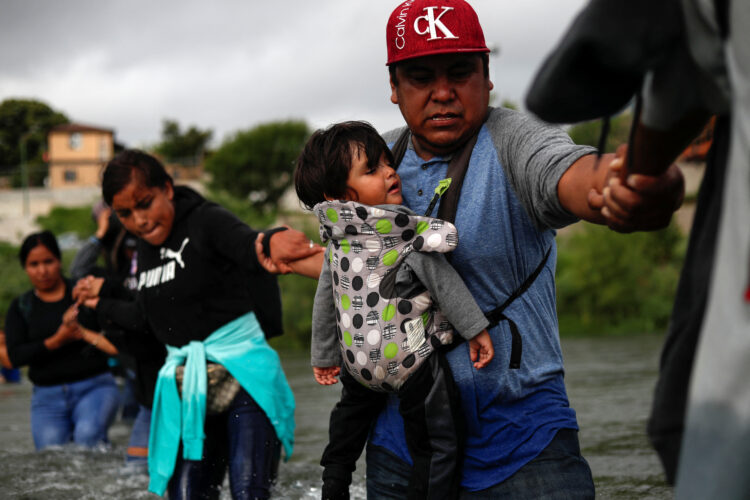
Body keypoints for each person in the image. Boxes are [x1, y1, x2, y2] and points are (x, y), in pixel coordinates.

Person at [344, 1, 686, 497]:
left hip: (524, 440)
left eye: (461, 72)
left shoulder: (516, 141)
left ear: (487, 78)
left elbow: (575, 176)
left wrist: (632, 185)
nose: (443, 93)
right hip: (403, 443)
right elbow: (353, 262)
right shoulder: (379, 158)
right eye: (421, 77)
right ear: (394, 89)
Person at [73, 149, 322, 499]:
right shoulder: (145, 250)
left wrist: (269, 239)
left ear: (168, 189)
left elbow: (245, 243)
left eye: (145, 203)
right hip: (189, 389)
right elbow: (148, 319)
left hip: (242, 378)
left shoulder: (205, 220)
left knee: (250, 492)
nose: (139, 220)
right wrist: (102, 305)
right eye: (125, 213)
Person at [294, 121, 495, 499]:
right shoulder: (402, 231)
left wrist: (323, 355)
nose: (390, 172)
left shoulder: (336, 243)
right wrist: (475, 329)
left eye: (388, 163)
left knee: (348, 424)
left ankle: (334, 482)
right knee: (437, 443)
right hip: (407, 361)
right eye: (372, 169)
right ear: (334, 196)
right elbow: (444, 283)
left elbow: (327, 301)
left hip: (357, 363)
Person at [3, 230, 120, 450]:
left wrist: (81, 329)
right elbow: (15, 357)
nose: (43, 270)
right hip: (47, 396)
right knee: (51, 452)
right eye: (34, 264)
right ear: (25, 268)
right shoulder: (21, 307)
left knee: (88, 439)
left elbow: (116, 341)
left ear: (59, 261)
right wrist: (57, 340)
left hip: (95, 386)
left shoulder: (82, 293)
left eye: (49, 261)